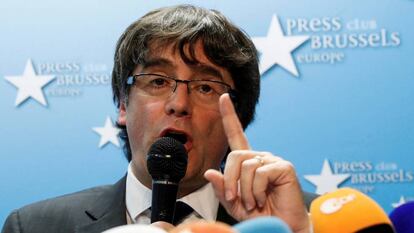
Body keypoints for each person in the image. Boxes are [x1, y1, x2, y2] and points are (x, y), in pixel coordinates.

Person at [1, 4, 316, 233]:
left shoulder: (310, 219)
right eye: (158, 81)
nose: (179, 104)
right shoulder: (34, 226)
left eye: (205, 86)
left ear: (238, 116)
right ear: (123, 105)